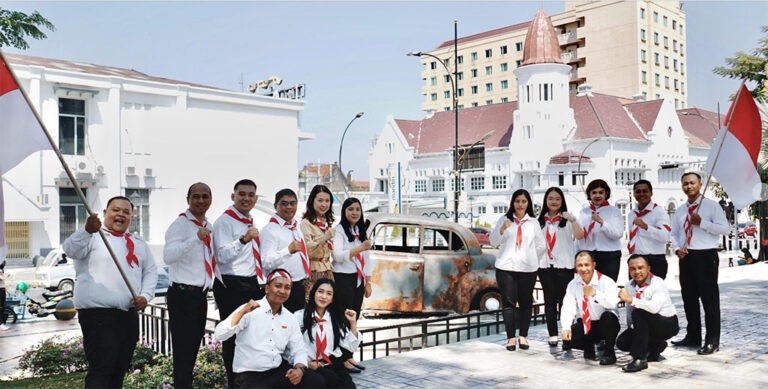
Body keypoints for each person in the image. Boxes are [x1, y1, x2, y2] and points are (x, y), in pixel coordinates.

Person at [63, 196, 157, 388]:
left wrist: (145, 296)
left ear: (132, 216)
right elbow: (70, 250)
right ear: (105, 213)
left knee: (119, 368)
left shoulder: (138, 242)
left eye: (126, 212)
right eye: (116, 210)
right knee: (102, 368)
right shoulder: (91, 236)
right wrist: (88, 230)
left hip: (128, 314)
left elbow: (150, 271)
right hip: (98, 314)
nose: (120, 215)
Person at [213, 269, 324, 388]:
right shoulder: (250, 309)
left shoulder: (290, 318)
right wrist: (242, 312)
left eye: (287, 288)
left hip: (277, 371)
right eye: (278, 286)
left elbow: (298, 349)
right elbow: (220, 334)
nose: (282, 291)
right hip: (250, 375)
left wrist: (300, 369)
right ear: (267, 289)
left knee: (315, 381)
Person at [163, 183, 221, 388]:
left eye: (205, 196)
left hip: (199, 296)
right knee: (182, 352)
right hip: (182, 294)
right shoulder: (180, 224)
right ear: (188, 199)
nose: (201, 201)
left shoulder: (207, 225)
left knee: (192, 351)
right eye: (196, 196)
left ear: (211, 199)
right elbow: (168, 257)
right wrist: (195, 240)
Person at [212, 179, 264, 388]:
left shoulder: (249, 220)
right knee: (232, 335)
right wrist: (243, 239)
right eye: (242, 194)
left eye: (251, 195)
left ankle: (249, 380)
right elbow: (221, 256)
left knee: (251, 334)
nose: (246, 198)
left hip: (251, 283)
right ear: (233, 197)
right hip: (231, 284)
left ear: (256, 199)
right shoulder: (225, 221)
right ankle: (234, 383)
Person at [670, 172, 729, 355]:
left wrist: (702, 223)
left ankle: (712, 340)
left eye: (692, 183)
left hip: (706, 256)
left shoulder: (711, 206)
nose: (689, 186)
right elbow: (674, 234)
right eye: (685, 183)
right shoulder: (680, 210)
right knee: (689, 299)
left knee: (709, 300)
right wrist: (677, 248)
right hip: (686, 257)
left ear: (700, 184)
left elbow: (725, 229)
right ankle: (693, 335)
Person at [490, 189, 546, 351]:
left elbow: (541, 245)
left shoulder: (533, 223)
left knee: (526, 302)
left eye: (523, 201)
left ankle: (523, 336)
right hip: (506, 267)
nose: (520, 205)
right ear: (512, 203)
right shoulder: (504, 219)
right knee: (508, 303)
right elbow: (493, 242)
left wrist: (531, 257)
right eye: (517, 201)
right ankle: (510, 338)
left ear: (528, 204)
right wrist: (501, 230)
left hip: (527, 268)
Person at [537, 187, 583, 347]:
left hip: (564, 266)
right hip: (544, 265)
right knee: (549, 302)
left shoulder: (567, 219)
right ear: (546, 201)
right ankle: (553, 335)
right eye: (550, 198)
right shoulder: (539, 221)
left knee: (565, 302)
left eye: (557, 199)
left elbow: (579, 235)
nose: (554, 202)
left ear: (562, 201)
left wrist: (573, 220)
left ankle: (566, 333)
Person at [617, 254, 679, 372]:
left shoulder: (658, 282)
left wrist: (631, 299)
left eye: (641, 268)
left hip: (666, 323)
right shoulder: (629, 285)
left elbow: (654, 308)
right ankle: (656, 346)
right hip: (644, 324)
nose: (637, 272)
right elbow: (629, 311)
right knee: (622, 342)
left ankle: (640, 359)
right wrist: (633, 330)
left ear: (648, 268)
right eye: (633, 269)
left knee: (639, 312)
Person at [294, 278, 359, 388]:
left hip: (333, 362)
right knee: (326, 380)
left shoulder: (335, 319)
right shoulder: (300, 317)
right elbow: (292, 346)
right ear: (313, 293)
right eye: (320, 291)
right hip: (310, 363)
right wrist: (307, 363)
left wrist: (352, 323)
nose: (324, 296)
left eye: (329, 294)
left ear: (332, 299)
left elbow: (351, 346)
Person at [332, 197, 372, 372]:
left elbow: (367, 258)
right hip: (343, 278)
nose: (355, 212)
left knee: (354, 318)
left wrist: (368, 282)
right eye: (350, 209)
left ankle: (350, 355)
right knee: (343, 318)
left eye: (357, 209)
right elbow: (338, 256)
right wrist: (360, 248)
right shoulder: (339, 230)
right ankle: (342, 358)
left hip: (358, 278)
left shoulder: (360, 230)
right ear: (344, 212)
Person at [560, 251, 619, 365]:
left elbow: (612, 303)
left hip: (604, 323)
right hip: (587, 323)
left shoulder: (606, 281)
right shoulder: (573, 284)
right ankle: (589, 345)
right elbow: (568, 306)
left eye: (586, 265)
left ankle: (609, 352)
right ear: (575, 267)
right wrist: (566, 327)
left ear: (593, 265)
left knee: (609, 318)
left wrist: (595, 294)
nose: (583, 269)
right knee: (570, 337)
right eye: (579, 265)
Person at [261, 189, 310, 312]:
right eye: (284, 203)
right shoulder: (270, 230)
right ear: (275, 206)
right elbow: (265, 262)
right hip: (282, 287)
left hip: (300, 284)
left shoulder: (295, 226)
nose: (289, 207)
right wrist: (287, 251)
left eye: (292, 203)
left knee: (297, 324)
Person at [576, 179, 624, 282]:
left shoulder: (614, 211)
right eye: (594, 192)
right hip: (588, 254)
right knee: (588, 286)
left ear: (606, 193)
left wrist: (602, 222)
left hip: (609, 256)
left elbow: (618, 234)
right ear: (589, 194)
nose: (597, 196)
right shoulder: (584, 211)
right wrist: (577, 254)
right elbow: (580, 236)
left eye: (601, 192)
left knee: (607, 287)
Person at [627, 180, 672, 279]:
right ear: (634, 194)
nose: (641, 194)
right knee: (635, 292)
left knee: (654, 292)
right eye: (638, 191)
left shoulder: (659, 212)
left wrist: (646, 227)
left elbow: (665, 237)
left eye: (645, 191)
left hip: (654, 259)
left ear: (651, 193)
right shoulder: (632, 214)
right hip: (636, 259)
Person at [300, 185, 336, 300]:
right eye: (320, 200)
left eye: (327, 201)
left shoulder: (327, 223)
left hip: (327, 270)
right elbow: (307, 250)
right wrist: (324, 238)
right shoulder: (306, 223)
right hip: (313, 271)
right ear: (312, 201)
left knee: (327, 306)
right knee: (311, 303)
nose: (324, 204)